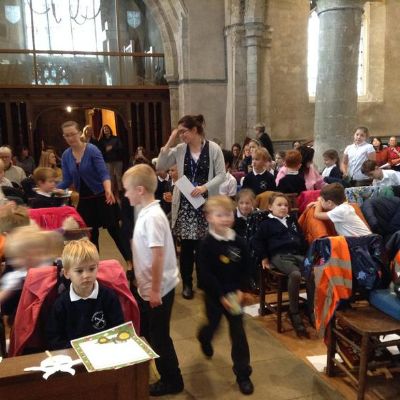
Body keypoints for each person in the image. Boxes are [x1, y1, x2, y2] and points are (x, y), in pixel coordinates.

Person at [123, 164, 184, 396]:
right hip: (150, 287)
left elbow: (158, 255)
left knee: (160, 338)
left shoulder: (153, 217)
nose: (125, 194)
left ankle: (172, 380)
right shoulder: (146, 212)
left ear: (140, 190)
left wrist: (155, 290)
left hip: (160, 289)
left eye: (127, 190)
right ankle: (166, 374)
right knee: (151, 332)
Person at [156, 114, 225, 300]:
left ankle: (203, 280)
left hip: (206, 203)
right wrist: (170, 140)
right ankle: (187, 283)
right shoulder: (180, 149)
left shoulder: (213, 148)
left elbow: (221, 175)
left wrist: (204, 187)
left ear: (195, 130)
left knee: (204, 245)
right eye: (179, 133)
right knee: (186, 247)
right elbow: (160, 165)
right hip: (186, 204)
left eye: (183, 132)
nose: (181, 136)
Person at [197, 195, 253, 395]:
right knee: (213, 325)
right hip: (214, 295)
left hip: (234, 294)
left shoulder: (239, 241)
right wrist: (220, 295)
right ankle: (204, 338)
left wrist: (242, 290)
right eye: (219, 215)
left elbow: (247, 267)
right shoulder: (206, 244)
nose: (225, 218)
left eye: (228, 214)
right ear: (209, 217)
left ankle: (243, 374)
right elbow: (205, 274)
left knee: (238, 333)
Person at [57, 121, 131, 263]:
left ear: (79, 133)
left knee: (115, 232)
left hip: (102, 196)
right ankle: (95, 266)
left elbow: (104, 173)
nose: (70, 138)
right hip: (85, 200)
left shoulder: (92, 149)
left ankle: (130, 263)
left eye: (72, 134)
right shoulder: (66, 155)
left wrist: (108, 189)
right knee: (91, 236)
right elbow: (67, 180)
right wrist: (53, 190)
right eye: (67, 135)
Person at [252, 192, 313, 337]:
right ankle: (294, 311)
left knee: (312, 272)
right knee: (295, 274)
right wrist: (264, 258)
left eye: (286, 205)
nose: (283, 207)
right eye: (279, 205)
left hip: (296, 254)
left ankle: (310, 308)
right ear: (270, 207)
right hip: (279, 256)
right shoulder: (266, 224)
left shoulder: (292, 220)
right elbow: (257, 241)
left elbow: (301, 237)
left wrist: (307, 255)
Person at [46, 239, 124, 350]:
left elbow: (118, 328)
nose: (86, 275)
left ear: (98, 268)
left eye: (91, 269)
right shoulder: (60, 305)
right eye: (79, 271)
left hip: (106, 350)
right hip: (74, 355)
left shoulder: (109, 297)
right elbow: (54, 339)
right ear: (66, 273)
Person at [98, 124, 124, 193]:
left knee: (119, 177)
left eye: (107, 128)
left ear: (110, 129)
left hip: (117, 159)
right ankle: (111, 191)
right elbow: (100, 151)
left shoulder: (116, 138)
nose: (106, 130)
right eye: (104, 129)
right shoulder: (101, 141)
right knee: (110, 177)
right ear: (103, 131)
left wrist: (112, 147)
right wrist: (106, 150)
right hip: (108, 161)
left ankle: (120, 191)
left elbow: (121, 147)